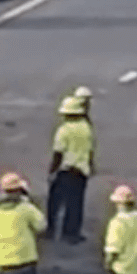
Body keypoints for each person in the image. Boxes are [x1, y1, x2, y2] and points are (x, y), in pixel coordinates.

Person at [46, 92, 95, 244]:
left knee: (55, 201)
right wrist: (91, 164)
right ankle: (71, 232)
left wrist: (52, 170)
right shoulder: (86, 127)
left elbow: (58, 153)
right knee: (76, 203)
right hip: (81, 169)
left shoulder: (64, 130)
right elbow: (90, 149)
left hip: (65, 169)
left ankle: (51, 228)